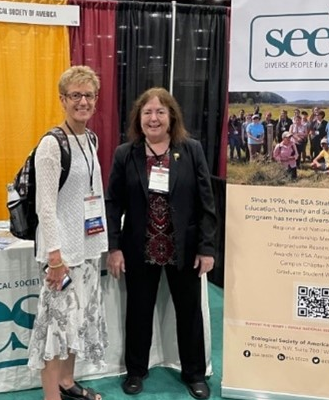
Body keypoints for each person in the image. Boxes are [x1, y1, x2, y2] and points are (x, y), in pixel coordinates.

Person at [105, 87, 216, 399]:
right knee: (138, 313)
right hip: (139, 249)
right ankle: (136, 371)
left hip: (184, 249)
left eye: (160, 112)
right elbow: (113, 203)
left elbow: (206, 202)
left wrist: (207, 248)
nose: (153, 118)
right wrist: (114, 247)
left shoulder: (190, 149)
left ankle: (194, 374)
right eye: (147, 113)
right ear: (139, 119)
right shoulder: (125, 154)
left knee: (189, 313)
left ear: (171, 117)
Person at [28, 65, 108, 400]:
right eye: (75, 95)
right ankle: (52, 395)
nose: (83, 101)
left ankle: (67, 382)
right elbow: (45, 207)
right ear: (63, 99)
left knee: (78, 322)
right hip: (61, 254)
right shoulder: (50, 144)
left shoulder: (90, 138)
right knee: (55, 328)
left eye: (89, 95)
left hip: (88, 247)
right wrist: (55, 258)